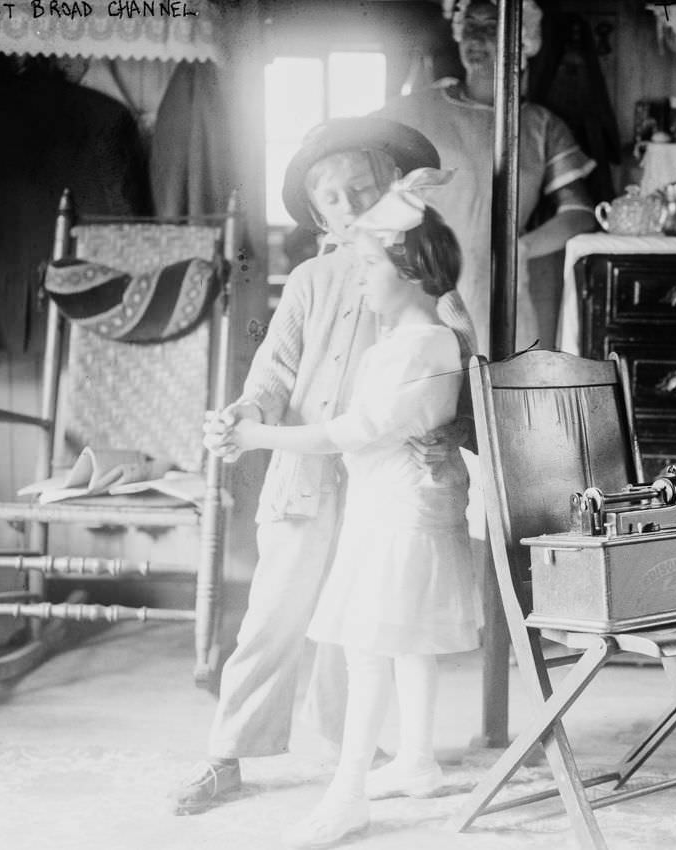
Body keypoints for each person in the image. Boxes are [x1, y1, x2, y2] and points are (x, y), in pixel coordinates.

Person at [172, 117, 464, 816]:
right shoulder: (311, 278)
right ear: (317, 213)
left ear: (392, 189)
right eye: (330, 197)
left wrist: (445, 430)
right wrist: (242, 415)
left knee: (357, 626)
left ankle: (349, 753)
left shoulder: (409, 274)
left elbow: (453, 362)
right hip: (305, 475)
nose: (348, 203)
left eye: (361, 187)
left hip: (379, 486)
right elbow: (272, 369)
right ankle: (228, 752)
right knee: (274, 613)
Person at [376, 0, 596, 355]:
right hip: (424, 289)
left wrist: (521, 249)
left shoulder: (542, 126)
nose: (477, 36)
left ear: (521, 39)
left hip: (502, 291)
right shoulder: (412, 110)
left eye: (492, 26)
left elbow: (580, 214)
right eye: (471, 25)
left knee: (500, 394)